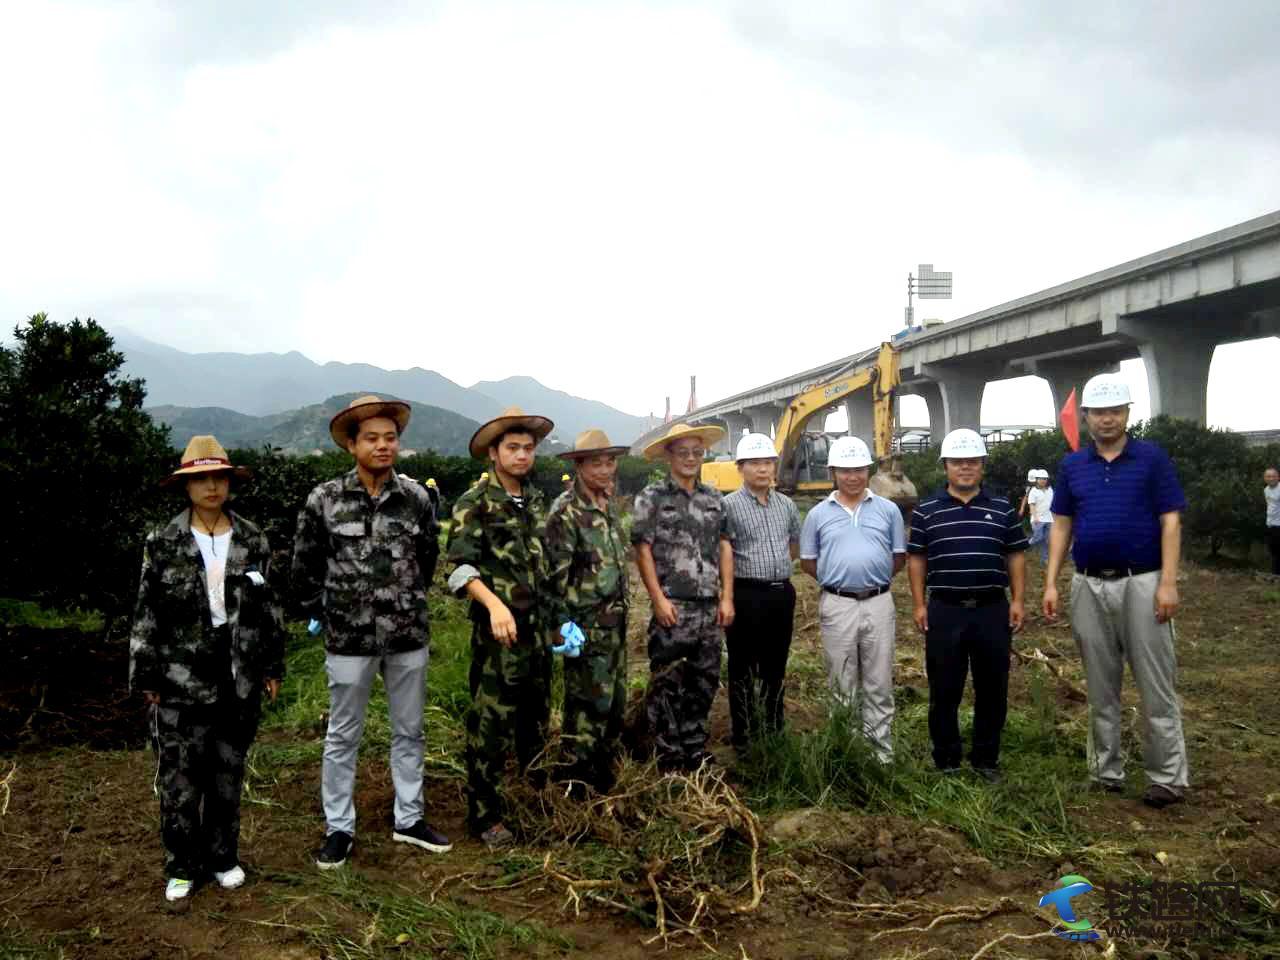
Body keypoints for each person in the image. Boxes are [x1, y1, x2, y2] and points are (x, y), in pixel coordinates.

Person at [293, 396, 450, 870]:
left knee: (410, 731)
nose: (384, 446)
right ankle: (339, 827)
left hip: (406, 634)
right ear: (351, 444)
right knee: (343, 734)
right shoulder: (325, 499)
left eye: (391, 438)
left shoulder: (417, 499)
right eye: (372, 438)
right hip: (349, 638)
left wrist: (404, 600)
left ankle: (409, 818)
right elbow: (306, 563)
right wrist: (325, 609)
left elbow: (426, 559)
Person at [130, 435, 285, 902]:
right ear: (186, 486)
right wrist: (147, 675)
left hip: (238, 673)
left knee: (227, 772)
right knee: (180, 778)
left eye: (219, 477)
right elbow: (146, 611)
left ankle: (223, 857)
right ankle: (181, 864)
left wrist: (272, 665)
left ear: (229, 482)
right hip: (180, 676)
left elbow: (270, 607)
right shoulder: (163, 541)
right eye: (201, 479)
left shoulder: (253, 537)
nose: (212, 487)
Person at [1042, 373, 1189, 809]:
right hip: (1088, 583)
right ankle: (1106, 771)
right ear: (1085, 417)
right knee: (1100, 684)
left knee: (1155, 684)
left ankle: (1167, 776)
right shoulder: (1073, 467)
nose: (1107, 419)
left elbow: (1171, 521)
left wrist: (1168, 582)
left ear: (1127, 414)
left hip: (1143, 582)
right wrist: (1051, 581)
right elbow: (1062, 525)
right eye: (1098, 412)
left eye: (1115, 411)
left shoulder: (1151, 459)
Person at [446, 406, 555, 848]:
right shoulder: (474, 503)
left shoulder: (537, 501)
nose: (523, 456)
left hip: (539, 633)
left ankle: (535, 800)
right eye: (513, 448)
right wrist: (493, 605)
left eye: (528, 448)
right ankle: (485, 815)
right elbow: (458, 569)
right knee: (490, 725)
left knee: (536, 719)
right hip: (500, 635)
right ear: (493, 452)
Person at [907, 429, 1027, 783]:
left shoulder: (1002, 508)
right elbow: (917, 559)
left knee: (993, 688)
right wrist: (918, 604)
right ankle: (946, 760)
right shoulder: (927, 511)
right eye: (957, 462)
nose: (965, 468)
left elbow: (1016, 556)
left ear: (982, 467)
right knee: (945, 689)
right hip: (945, 609)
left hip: (992, 608)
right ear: (945, 466)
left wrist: (1018, 600)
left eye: (972, 462)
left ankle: (986, 760)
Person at [633, 422, 735, 773]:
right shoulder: (652, 498)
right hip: (673, 607)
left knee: (704, 683)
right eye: (683, 452)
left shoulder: (714, 499)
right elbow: (642, 550)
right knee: (667, 685)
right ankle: (669, 757)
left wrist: (727, 598)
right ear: (668, 456)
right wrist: (658, 599)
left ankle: (695, 750)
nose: (690, 459)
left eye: (697, 452)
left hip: (708, 607)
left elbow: (724, 546)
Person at [799, 435, 906, 762]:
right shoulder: (817, 514)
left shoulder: (889, 510)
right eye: (845, 470)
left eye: (859, 469)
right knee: (841, 680)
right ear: (833, 472)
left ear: (868, 471)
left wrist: (871, 579)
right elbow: (807, 562)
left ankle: (879, 756)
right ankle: (844, 752)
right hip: (837, 604)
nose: (852, 476)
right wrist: (839, 582)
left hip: (878, 601)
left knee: (878, 679)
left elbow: (898, 557)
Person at [544, 429, 632, 794]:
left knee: (614, 705)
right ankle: (576, 785)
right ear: (579, 465)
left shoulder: (607, 504)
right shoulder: (566, 512)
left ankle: (604, 777)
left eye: (610, 461)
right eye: (596, 462)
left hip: (617, 625)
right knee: (585, 710)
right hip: (586, 628)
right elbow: (553, 579)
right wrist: (562, 628)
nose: (606, 468)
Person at [721, 432, 801, 752]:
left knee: (775, 665)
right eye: (755, 463)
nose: (763, 469)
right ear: (741, 468)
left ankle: (773, 728)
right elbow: (722, 553)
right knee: (741, 667)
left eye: (768, 462)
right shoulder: (727, 506)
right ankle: (743, 735)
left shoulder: (787, 505)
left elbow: (793, 545)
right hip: (745, 593)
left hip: (781, 593)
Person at [1019, 469, 1054, 564]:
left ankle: (1044, 559)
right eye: (1041, 479)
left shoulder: (1050, 490)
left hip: (1049, 519)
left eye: (1045, 478)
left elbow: (1052, 504)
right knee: (1038, 537)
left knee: (1046, 540)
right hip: (1037, 519)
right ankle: (1023, 547)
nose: (1043, 480)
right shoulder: (1032, 491)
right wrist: (1035, 517)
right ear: (1037, 480)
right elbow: (1031, 505)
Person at [1264, 467, 1280, 575]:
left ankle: (1277, 574)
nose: (1271, 478)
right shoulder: (1266, 489)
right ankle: (1275, 574)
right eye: (1268, 476)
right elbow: (1269, 506)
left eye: (1273, 476)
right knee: (1273, 550)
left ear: (1278, 477)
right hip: (1270, 524)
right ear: (1265, 478)